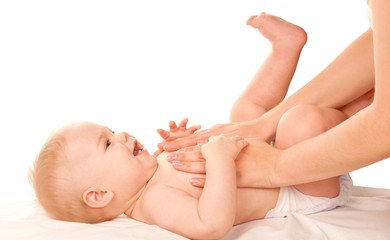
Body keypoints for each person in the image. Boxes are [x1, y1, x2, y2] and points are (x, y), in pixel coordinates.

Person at [29, 13, 352, 240]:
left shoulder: (153, 172)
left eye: (111, 130)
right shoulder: (154, 202)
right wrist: (220, 158)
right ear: (100, 194)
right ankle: (358, 111)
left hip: (277, 163)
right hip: (303, 189)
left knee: (244, 113)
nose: (122, 134)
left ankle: (286, 47)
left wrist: (188, 142)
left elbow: (203, 166)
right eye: (108, 143)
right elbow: (209, 225)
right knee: (299, 121)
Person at [159, 2, 384, 190]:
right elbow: (380, 40)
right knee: (251, 119)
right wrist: (263, 126)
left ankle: (284, 48)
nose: (125, 139)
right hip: (303, 175)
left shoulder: (156, 201)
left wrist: (272, 166)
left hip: (298, 181)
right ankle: (286, 48)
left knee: (286, 120)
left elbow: (210, 223)